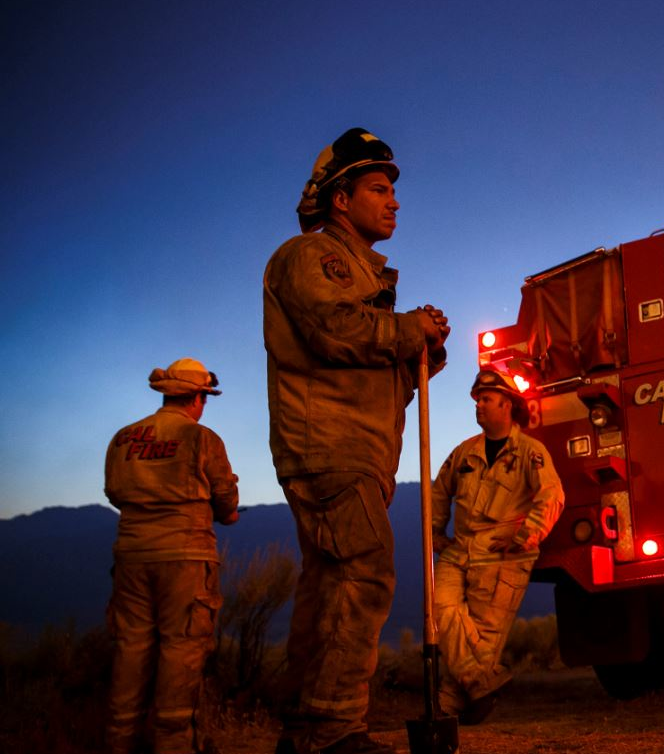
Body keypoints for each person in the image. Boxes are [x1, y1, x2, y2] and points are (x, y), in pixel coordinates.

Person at [264, 128, 450, 754]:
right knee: (364, 569)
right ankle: (333, 728)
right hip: (330, 446)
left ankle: (306, 727)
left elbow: (374, 367)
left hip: (358, 450)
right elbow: (332, 329)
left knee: (330, 584)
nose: (394, 201)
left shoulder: (367, 277)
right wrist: (405, 330)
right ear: (340, 199)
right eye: (378, 188)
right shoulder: (312, 256)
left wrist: (424, 349)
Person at [104, 358, 239, 754]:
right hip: (186, 560)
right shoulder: (202, 439)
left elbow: (114, 493)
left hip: (131, 557)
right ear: (198, 397)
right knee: (182, 653)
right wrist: (226, 513)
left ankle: (119, 744)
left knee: (130, 651)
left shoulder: (123, 438)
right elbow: (226, 501)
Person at [431, 367, 564, 724]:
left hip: (503, 555)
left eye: (486, 400)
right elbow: (439, 492)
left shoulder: (529, 453)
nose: (479, 406)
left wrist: (525, 535)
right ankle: (480, 684)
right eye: (477, 400)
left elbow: (552, 495)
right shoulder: (464, 454)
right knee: (441, 611)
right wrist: (435, 532)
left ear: (506, 404)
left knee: (484, 635)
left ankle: (447, 708)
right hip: (459, 549)